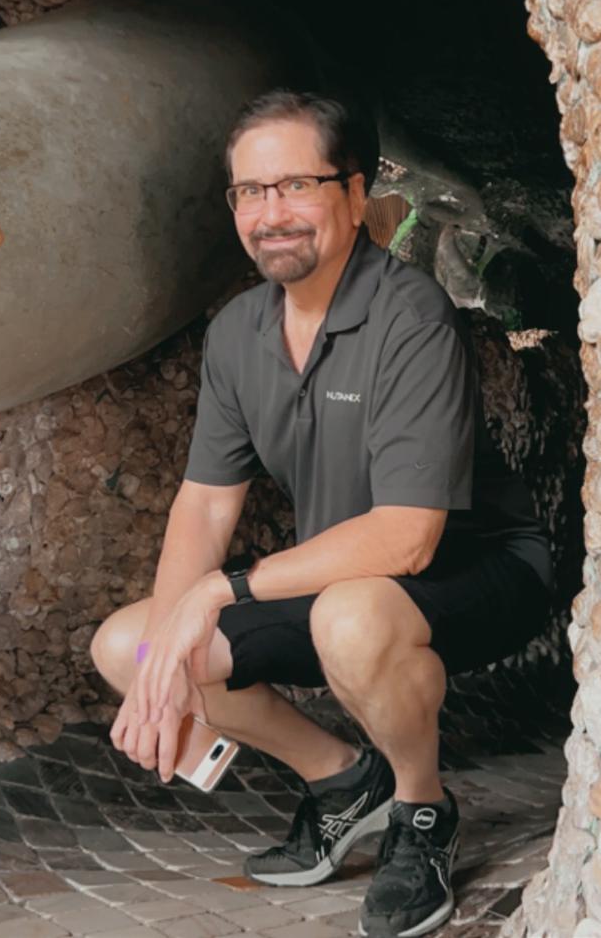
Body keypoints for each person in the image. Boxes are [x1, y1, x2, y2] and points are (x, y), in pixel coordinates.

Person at [90, 89, 553, 938]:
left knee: (347, 616)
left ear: (354, 192)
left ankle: (422, 811)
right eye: (250, 192)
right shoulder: (237, 333)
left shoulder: (410, 315)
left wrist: (218, 593)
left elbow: (409, 538)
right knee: (130, 644)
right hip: (344, 577)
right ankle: (345, 781)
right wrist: (164, 655)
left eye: (296, 185)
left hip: (480, 569)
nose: (272, 215)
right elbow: (203, 504)